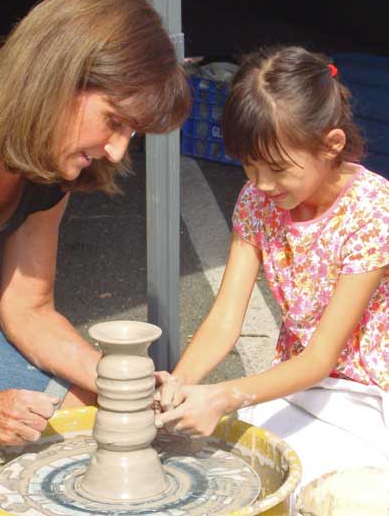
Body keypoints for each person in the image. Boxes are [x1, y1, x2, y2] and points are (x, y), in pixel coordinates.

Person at [0, 0, 190, 516]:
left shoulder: (49, 164)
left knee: (114, 419)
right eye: (115, 122)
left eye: (132, 133)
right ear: (61, 78)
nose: (116, 150)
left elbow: (28, 308)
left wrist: (118, 380)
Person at [156, 46, 388, 483]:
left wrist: (223, 397)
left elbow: (321, 357)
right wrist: (181, 382)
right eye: (249, 165)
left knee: (309, 487)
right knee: (236, 471)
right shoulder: (257, 201)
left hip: (369, 396)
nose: (261, 183)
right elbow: (226, 318)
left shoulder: (372, 212)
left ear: (331, 145)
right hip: (295, 383)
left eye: (277, 168)